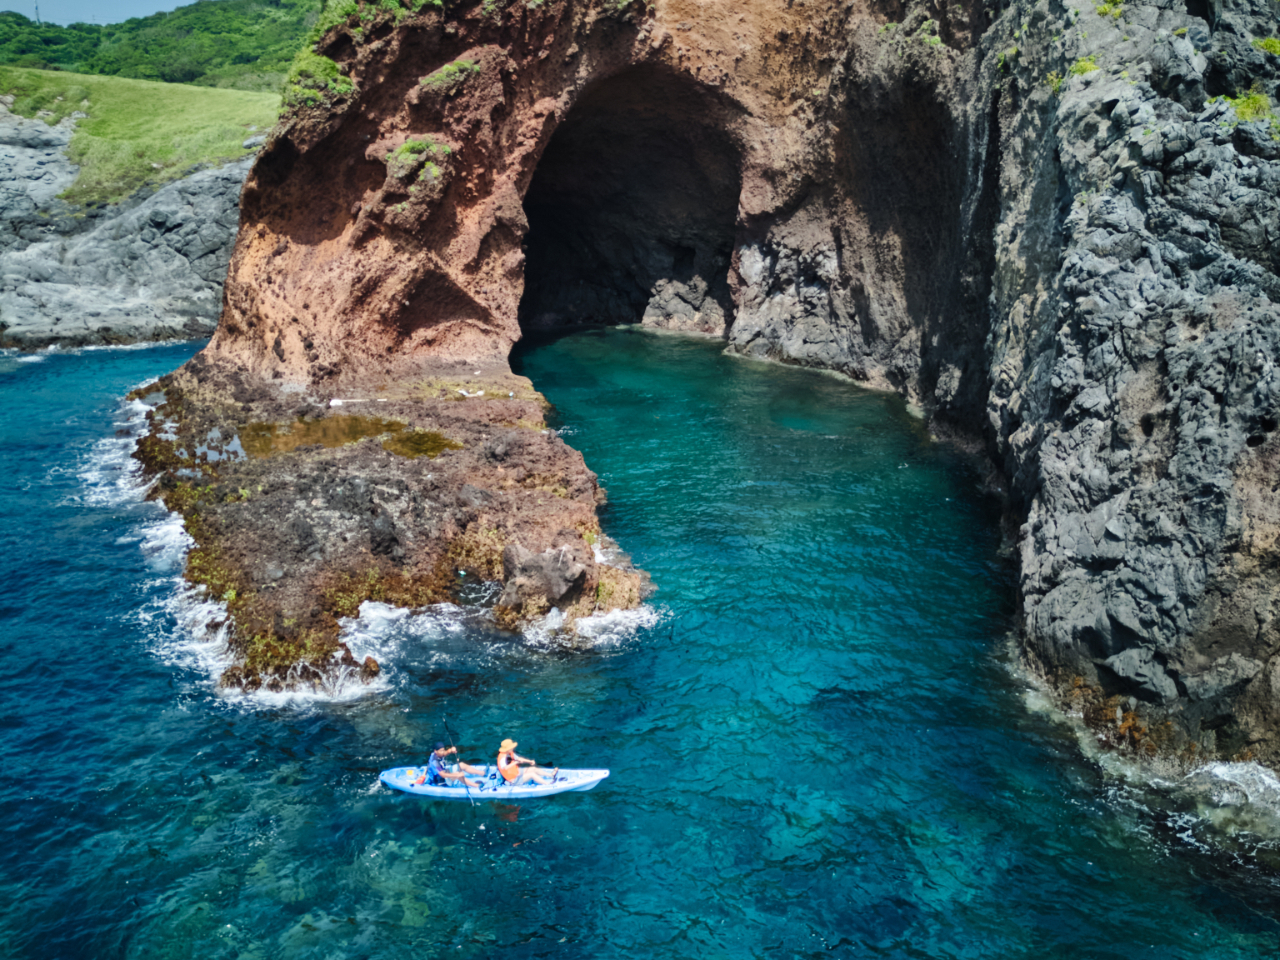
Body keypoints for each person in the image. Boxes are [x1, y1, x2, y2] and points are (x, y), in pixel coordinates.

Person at [416, 742, 484, 788]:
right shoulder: (435, 762)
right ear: (435, 751)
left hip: (444, 773)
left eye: (443, 750)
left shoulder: (438, 753)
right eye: (441, 751)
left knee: (461, 765)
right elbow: (443, 775)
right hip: (440, 781)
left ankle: (482, 773)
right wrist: (457, 774)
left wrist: (451, 750)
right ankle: (476, 786)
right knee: (458, 775)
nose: (443, 752)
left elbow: (445, 753)